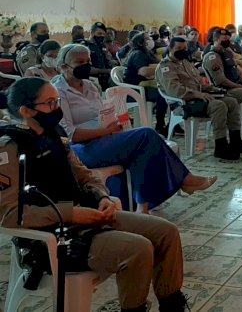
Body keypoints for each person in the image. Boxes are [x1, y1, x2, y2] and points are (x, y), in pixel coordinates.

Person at [0, 78, 191, 312]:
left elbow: (85, 176)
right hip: (51, 236)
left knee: (166, 232)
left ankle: (172, 305)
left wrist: (102, 197)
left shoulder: (54, 137)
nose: (57, 108)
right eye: (50, 103)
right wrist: (71, 214)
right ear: (26, 111)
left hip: (85, 218)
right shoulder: (9, 149)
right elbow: (9, 214)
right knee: (138, 249)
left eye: (57, 101)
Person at [50, 44, 216, 213]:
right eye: (80, 62)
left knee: (141, 149)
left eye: (88, 61)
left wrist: (112, 122)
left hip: (102, 139)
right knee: (146, 135)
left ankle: (142, 208)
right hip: (80, 150)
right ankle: (184, 180)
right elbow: (70, 135)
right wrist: (106, 131)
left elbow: (101, 114)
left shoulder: (90, 86)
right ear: (64, 66)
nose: (86, 65)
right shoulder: (58, 91)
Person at [157, 37, 242, 160]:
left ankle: (236, 141)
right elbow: (175, 90)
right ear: (170, 49)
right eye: (178, 48)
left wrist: (215, 89)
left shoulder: (186, 63)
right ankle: (221, 146)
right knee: (218, 105)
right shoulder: (165, 67)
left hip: (200, 99)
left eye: (185, 48)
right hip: (184, 104)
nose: (183, 51)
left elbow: (200, 83)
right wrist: (198, 94)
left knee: (231, 101)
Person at [124, 32, 169, 134]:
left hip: (145, 85)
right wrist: (163, 68)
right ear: (140, 42)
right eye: (147, 38)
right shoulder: (137, 54)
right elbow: (143, 71)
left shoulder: (146, 52)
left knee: (168, 89)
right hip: (135, 90)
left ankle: (171, 125)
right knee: (163, 93)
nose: (150, 40)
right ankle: (160, 124)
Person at [86, 21, 116, 90]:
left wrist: (111, 62)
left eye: (103, 34)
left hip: (104, 80)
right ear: (92, 33)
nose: (101, 36)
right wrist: (106, 71)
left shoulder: (102, 46)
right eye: (99, 33)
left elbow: (106, 61)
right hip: (91, 81)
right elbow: (87, 69)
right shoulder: (85, 46)